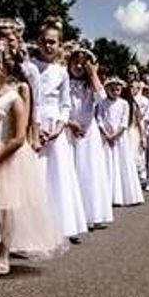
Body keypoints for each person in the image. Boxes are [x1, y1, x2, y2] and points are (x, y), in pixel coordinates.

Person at [0, 41, 66, 275]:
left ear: (5, 68)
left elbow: (19, 135)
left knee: (7, 207)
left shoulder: (15, 94)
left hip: (7, 152)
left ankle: (4, 252)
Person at [32, 18, 88, 242]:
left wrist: (59, 126)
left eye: (53, 43)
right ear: (38, 42)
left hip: (55, 127)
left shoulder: (61, 72)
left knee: (59, 176)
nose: (48, 46)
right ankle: (35, 227)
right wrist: (35, 126)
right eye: (45, 42)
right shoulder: (30, 67)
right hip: (35, 125)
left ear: (59, 45)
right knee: (37, 176)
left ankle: (64, 224)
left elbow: (65, 104)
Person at [67, 47, 114, 230]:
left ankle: (90, 214)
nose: (78, 66)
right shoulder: (65, 80)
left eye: (82, 63)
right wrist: (70, 122)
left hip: (88, 131)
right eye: (75, 62)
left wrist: (93, 74)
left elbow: (101, 98)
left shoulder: (89, 84)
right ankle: (73, 217)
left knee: (88, 171)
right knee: (72, 170)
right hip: (68, 128)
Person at [98, 76, 145, 207]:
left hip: (120, 137)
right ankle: (108, 195)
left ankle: (124, 194)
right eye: (112, 89)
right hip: (106, 137)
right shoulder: (102, 103)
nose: (115, 91)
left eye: (117, 89)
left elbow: (124, 122)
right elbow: (100, 119)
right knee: (108, 163)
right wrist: (106, 134)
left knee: (121, 163)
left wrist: (115, 135)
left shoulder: (124, 104)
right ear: (107, 89)